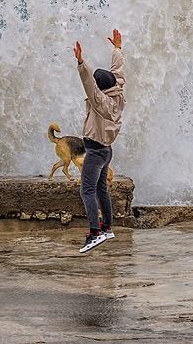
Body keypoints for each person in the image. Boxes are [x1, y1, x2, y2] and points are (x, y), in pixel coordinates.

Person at [74, 28, 126, 254]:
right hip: (106, 151)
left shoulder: (101, 102)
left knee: (87, 190)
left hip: (95, 152)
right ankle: (108, 227)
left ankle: (95, 233)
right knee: (101, 189)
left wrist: (81, 63)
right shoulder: (117, 92)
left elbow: (88, 83)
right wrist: (117, 49)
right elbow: (118, 72)